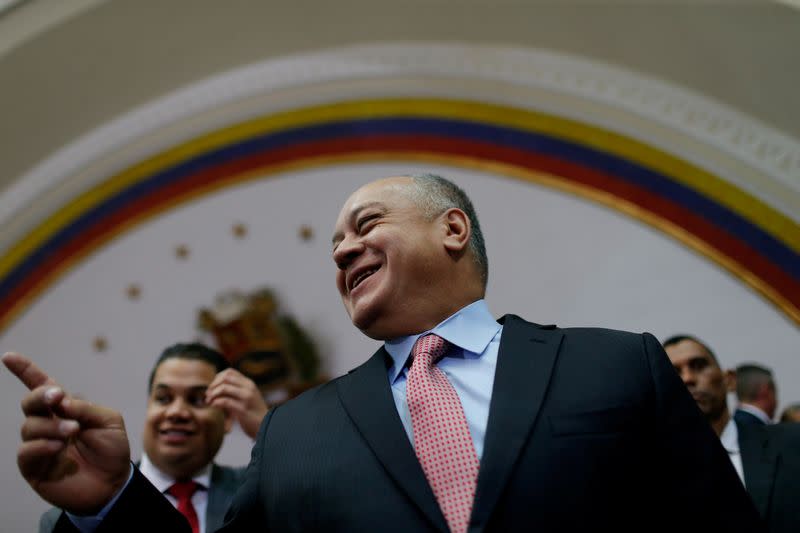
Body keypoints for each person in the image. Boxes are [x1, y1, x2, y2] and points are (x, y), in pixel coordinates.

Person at [5, 174, 762, 532]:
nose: (342, 250)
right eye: (334, 245)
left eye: (364, 223)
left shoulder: (616, 365)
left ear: (453, 231)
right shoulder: (297, 432)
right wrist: (111, 499)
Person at [37, 342, 268, 533]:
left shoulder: (263, 495)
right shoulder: (82, 516)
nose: (176, 411)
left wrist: (270, 432)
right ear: (149, 408)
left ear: (227, 417)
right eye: (164, 398)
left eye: (197, 399)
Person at [663, 334, 800, 532]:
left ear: (729, 380)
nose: (688, 378)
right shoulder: (652, 471)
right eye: (673, 373)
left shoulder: (792, 443)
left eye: (699, 365)